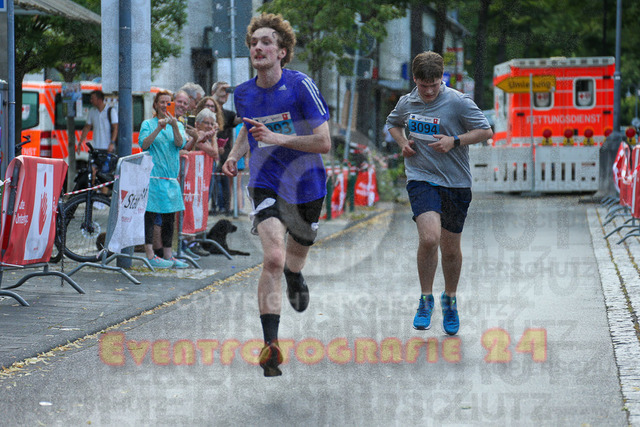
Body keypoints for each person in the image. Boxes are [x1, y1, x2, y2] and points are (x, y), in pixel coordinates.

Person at [222, 13, 331, 377]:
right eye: (254, 43)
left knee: (294, 257)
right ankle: (271, 346)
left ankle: (295, 274)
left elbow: (324, 142)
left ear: (282, 52)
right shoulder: (243, 93)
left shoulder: (301, 86)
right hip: (266, 182)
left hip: (307, 186)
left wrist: (277, 138)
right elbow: (248, 130)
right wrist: (235, 155)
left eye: (266, 42)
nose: (258, 48)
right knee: (272, 258)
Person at [385, 51, 493, 336]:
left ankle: (450, 300)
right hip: (421, 178)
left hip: (456, 183)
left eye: (434, 85)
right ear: (415, 79)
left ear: (441, 78)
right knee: (429, 237)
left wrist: (454, 140)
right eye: (424, 85)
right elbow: (393, 123)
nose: (429, 91)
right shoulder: (407, 102)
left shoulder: (458, 101)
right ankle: (425, 299)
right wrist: (402, 143)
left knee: (450, 249)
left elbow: (485, 131)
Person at [139, 90, 190, 269]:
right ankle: (150, 254)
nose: (165, 105)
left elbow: (179, 144)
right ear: (155, 104)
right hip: (153, 177)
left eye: (168, 102)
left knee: (169, 217)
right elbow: (144, 144)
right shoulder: (147, 124)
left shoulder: (179, 125)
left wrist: (174, 126)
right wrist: (158, 128)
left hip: (170, 179)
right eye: (162, 102)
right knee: (150, 216)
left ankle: (169, 255)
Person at [211, 81, 243, 215]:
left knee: (225, 181)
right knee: (213, 180)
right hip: (210, 152)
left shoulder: (228, 114)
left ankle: (226, 208)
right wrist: (216, 94)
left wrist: (241, 96)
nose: (225, 93)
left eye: (227, 91)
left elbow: (240, 119)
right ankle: (213, 207)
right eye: (222, 90)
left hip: (225, 153)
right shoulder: (208, 110)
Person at [78, 90, 118, 194]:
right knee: (93, 173)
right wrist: (80, 142)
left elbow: (115, 127)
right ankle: (94, 195)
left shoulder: (110, 111)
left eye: (93, 98)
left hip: (107, 148)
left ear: (99, 99)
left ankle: (102, 198)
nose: (91, 101)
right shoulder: (92, 111)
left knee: (104, 174)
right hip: (95, 148)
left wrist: (112, 142)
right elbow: (87, 127)